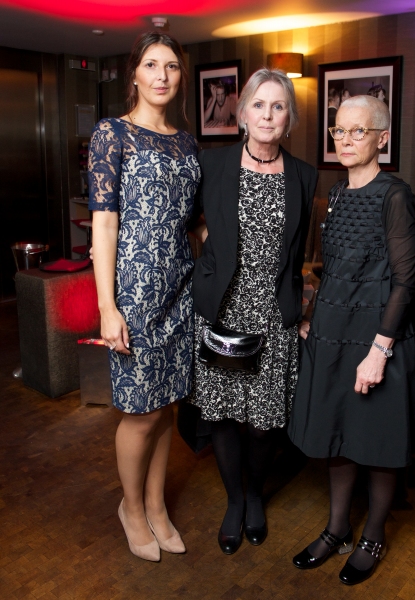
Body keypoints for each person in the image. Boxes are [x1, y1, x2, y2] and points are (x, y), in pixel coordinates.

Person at [288, 95, 415, 585]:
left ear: (382, 138)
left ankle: (372, 534)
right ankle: (335, 530)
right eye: (339, 132)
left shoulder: (395, 195)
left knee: (377, 442)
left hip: (378, 338)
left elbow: (405, 282)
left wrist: (378, 351)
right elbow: (335, 271)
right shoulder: (339, 192)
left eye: (358, 132)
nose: (346, 141)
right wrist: (311, 315)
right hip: (334, 331)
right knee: (339, 437)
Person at [190, 68, 318, 555]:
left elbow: (299, 255)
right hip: (222, 311)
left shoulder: (304, 176)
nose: (268, 115)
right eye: (259, 105)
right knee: (222, 416)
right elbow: (183, 225)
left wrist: (302, 308)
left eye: (278, 106)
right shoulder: (214, 165)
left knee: (265, 422)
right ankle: (233, 502)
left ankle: (254, 493)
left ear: (289, 119)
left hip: (273, 315)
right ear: (241, 114)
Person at [88, 32, 201, 562]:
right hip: (133, 293)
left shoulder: (187, 140)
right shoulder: (112, 135)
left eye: (172, 66)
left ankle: (157, 506)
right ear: (133, 73)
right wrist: (108, 308)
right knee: (139, 411)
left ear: (181, 76)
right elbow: (105, 224)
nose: (162, 75)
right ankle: (131, 507)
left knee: (167, 407)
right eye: (152, 65)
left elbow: (194, 225)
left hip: (182, 290)